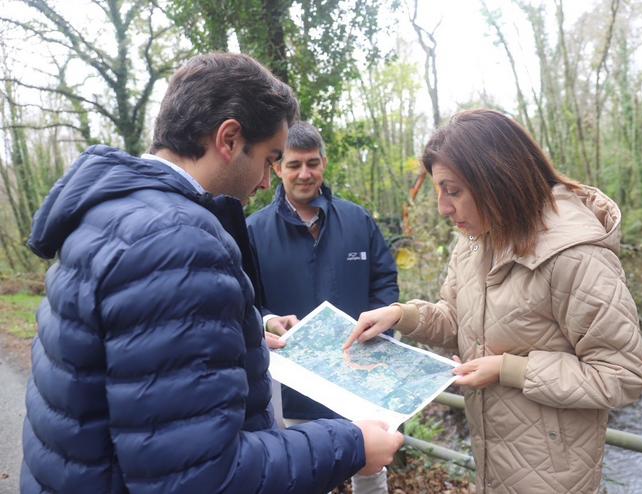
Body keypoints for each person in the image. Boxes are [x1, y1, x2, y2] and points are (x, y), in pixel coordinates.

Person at [21, 52, 403, 494]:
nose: (266, 181)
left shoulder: (112, 213)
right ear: (229, 138)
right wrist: (352, 443)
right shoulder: (177, 243)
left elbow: (139, 377)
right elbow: (200, 477)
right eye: (270, 158)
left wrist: (245, 336)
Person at [344, 109, 642, 493]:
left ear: (496, 180)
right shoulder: (477, 241)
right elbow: (456, 319)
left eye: (453, 191)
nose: (443, 207)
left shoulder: (576, 256)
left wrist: (509, 369)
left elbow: (622, 376)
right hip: (494, 466)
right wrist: (401, 315)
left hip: (555, 479)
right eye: (440, 191)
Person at [246, 121, 399, 494]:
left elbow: (385, 284)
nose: (304, 174)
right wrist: (266, 321)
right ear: (278, 167)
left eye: (312, 163)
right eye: (294, 164)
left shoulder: (358, 221)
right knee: (303, 475)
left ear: (324, 163)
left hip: (361, 375)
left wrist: (381, 331)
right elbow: (246, 299)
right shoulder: (253, 231)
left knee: (371, 475)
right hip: (294, 388)